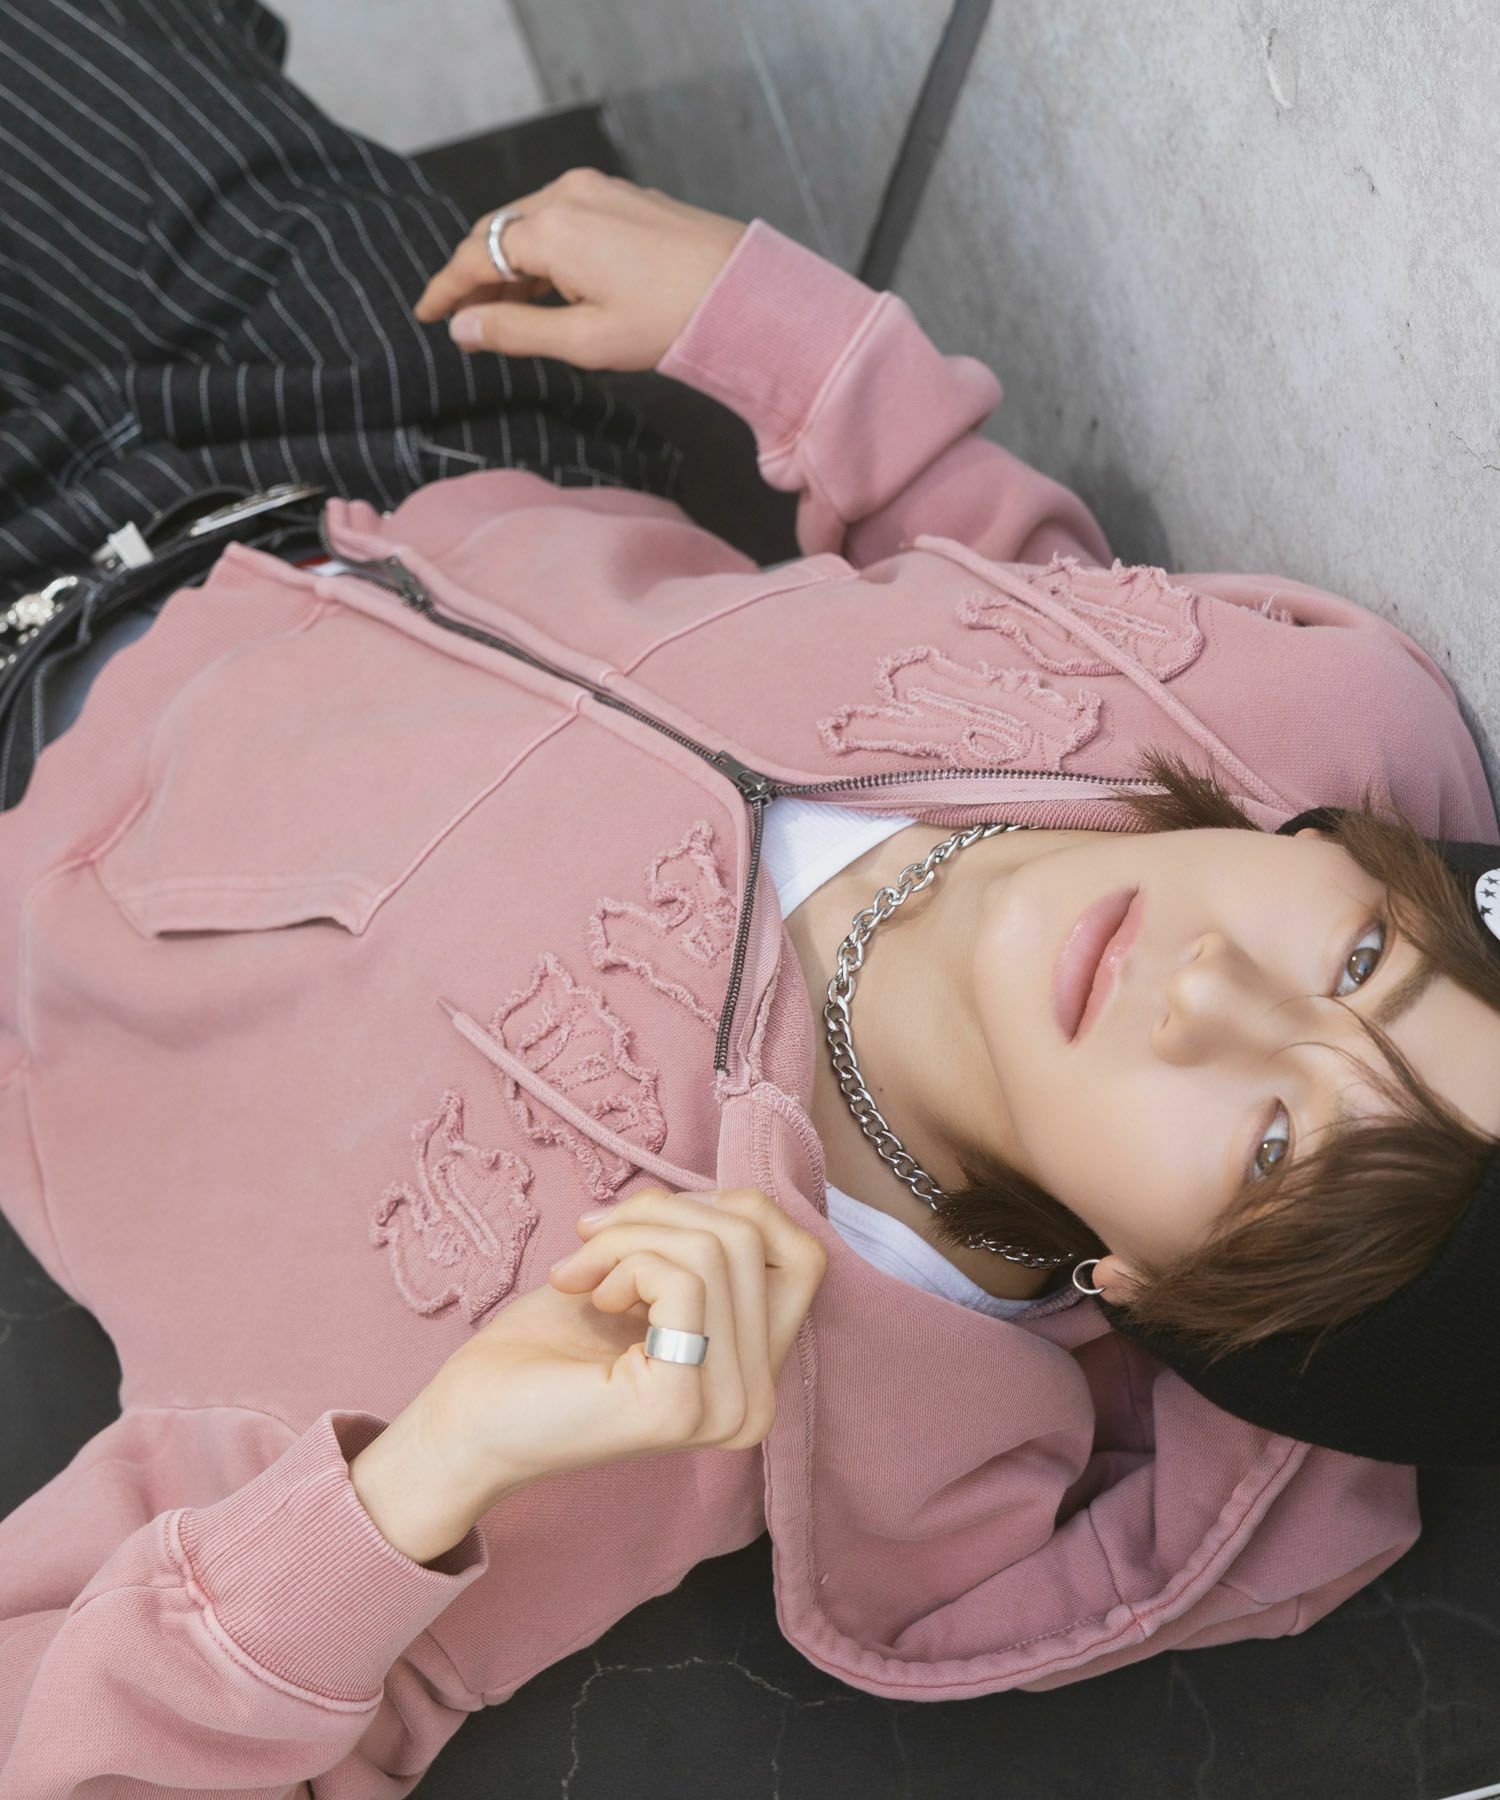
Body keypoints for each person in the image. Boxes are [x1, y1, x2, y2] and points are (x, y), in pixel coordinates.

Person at [2, 1, 1499, 1791]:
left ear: (1148, 1293)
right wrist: (805, 347)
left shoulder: (633, 1393)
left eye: (1271, 1144)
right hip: (397, 416)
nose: (1210, 993)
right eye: (1362, 959)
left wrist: (423, 1474)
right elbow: (1037, 595)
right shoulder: (1287, 726)